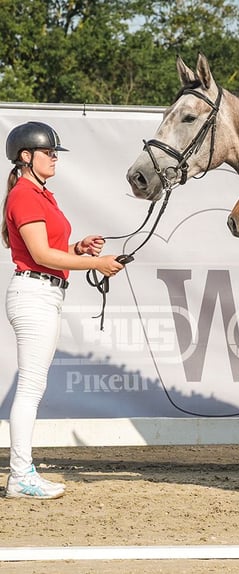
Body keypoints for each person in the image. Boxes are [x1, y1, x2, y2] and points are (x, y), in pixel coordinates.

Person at [3, 121, 124, 499]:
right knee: (30, 388)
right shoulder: (24, 195)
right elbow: (39, 255)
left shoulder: (42, 195)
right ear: (27, 157)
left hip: (47, 292)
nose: (55, 158)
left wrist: (78, 249)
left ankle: (22, 472)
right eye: (48, 152)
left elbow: (50, 250)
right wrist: (96, 264)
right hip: (34, 293)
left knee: (32, 387)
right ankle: (20, 474)